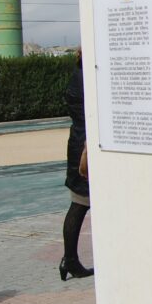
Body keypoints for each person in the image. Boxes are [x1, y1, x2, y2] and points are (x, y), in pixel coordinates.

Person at [61, 51, 94, 281]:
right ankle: (70, 260)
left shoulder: (77, 73)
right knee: (82, 203)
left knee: (78, 203)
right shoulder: (89, 75)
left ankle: (70, 260)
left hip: (77, 144)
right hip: (87, 148)